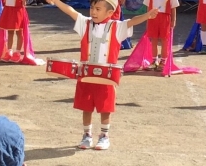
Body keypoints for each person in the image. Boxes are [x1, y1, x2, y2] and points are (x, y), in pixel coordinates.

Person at [45, 0, 158, 150]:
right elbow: (70, 11)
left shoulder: (116, 27)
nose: (93, 12)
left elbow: (132, 21)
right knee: (86, 106)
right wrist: (57, 1)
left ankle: (104, 136)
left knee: (106, 107)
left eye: (98, 9)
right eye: (92, 8)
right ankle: (87, 135)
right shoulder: (84, 23)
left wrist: (147, 15)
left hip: (106, 77)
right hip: (86, 75)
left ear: (110, 13)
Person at [144, 0, 179, 71]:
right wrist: (147, 19)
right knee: (154, 40)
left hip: (165, 18)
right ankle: (154, 61)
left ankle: (163, 61)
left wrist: (173, 21)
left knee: (164, 40)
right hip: (153, 18)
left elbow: (173, 8)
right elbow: (148, 8)